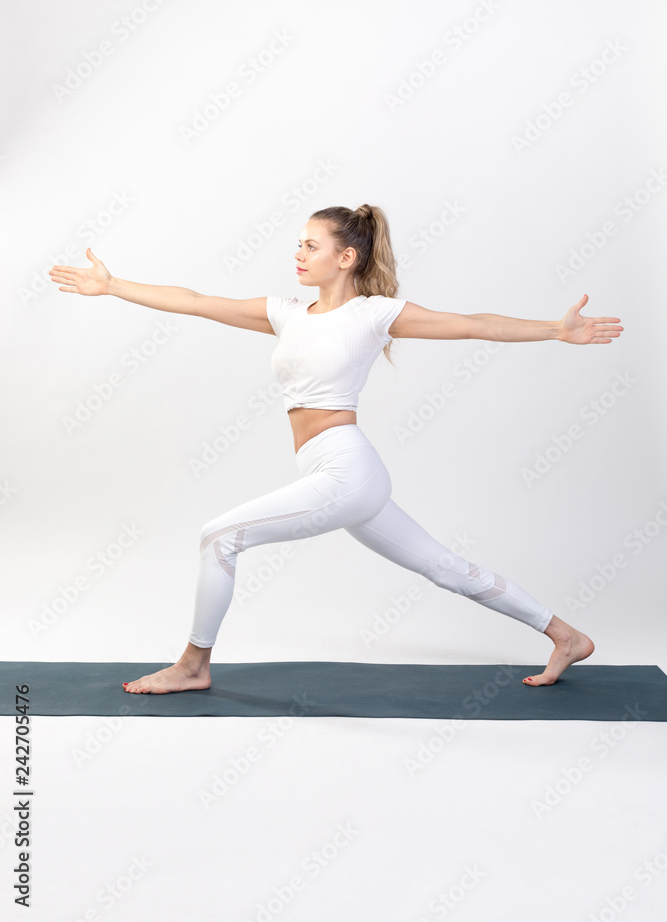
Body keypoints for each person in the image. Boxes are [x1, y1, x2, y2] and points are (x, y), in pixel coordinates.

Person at [49, 204, 622, 694]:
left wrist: (554, 329)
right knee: (446, 568)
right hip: (329, 469)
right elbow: (196, 300)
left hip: (347, 470)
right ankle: (566, 636)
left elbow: (473, 324)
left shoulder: (373, 315)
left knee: (220, 536)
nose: (298, 254)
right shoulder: (285, 314)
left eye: (310, 245)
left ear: (345, 257)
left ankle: (192, 665)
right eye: (297, 244)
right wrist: (114, 286)